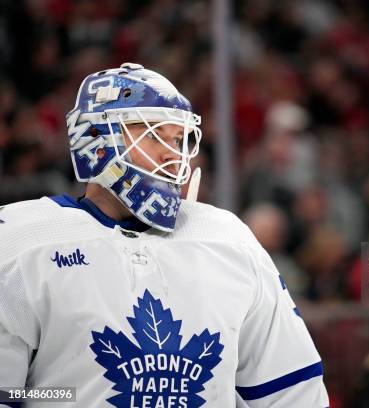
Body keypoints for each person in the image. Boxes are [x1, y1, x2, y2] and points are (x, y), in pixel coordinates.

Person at [0, 63, 329, 407]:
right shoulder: (20, 243)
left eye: (177, 138)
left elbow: (290, 393)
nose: (172, 154)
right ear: (97, 139)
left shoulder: (228, 240)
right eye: (153, 134)